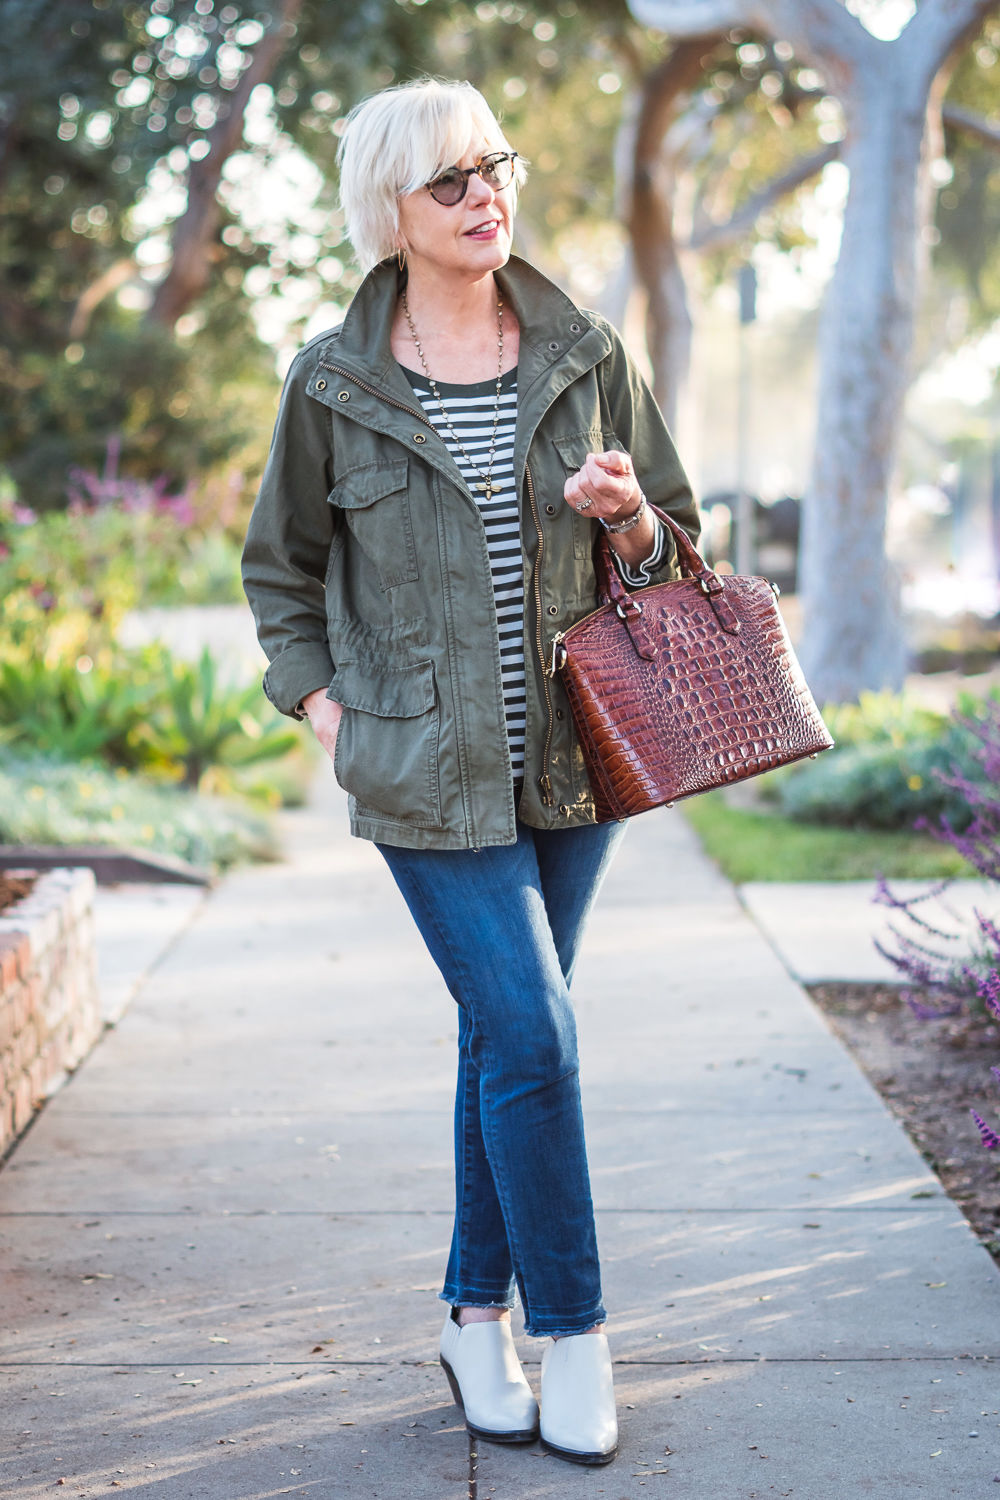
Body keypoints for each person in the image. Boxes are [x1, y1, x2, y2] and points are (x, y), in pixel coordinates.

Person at [242, 77, 699, 1468]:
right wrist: (325, 710)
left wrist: (629, 525)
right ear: (391, 206)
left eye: (493, 164)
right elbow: (283, 573)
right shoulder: (333, 381)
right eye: (448, 179)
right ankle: (573, 1331)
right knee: (538, 1033)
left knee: (507, 1037)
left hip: (577, 761)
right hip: (425, 771)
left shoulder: (587, 351)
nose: (484, 193)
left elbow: (680, 542)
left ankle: (466, 1311)